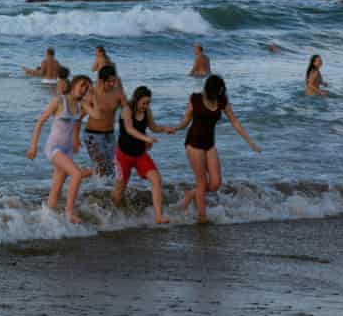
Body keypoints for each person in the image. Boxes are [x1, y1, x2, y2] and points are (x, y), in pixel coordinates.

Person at [172, 75, 261, 224]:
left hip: (209, 144)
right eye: (217, 92)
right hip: (194, 143)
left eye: (221, 92)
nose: (219, 95)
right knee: (201, 182)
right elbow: (186, 120)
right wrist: (176, 128)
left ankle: (190, 194)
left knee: (215, 183)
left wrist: (250, 141)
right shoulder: (195, 98)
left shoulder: (222, 99)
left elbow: (234, 121)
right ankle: (202, 218)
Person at [27, 75, 94, 223]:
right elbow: (40, 122)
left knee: (56, 190)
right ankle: (69, 213)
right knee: (76, 174)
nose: (84, 89)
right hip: (54, 148)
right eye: (82, 85)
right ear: (74, 84)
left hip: (67, 151)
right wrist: (33, 146)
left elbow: (97, 114)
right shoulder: (59, 101)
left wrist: (90, 96)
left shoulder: (80, 105)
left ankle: (46, 222)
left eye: (87, 88)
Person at [114, 86, 175, 224]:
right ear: (136, 100)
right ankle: (115, 217)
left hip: (140, 154)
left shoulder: (147, 111)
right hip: (123, 155)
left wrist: (165, 129)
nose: (146, 106)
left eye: (148, 103)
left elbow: (153, 127)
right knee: (120, 189)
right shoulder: (126, 110)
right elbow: (129, 129)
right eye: (144, 103)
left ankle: (158, 216)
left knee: (156, 179)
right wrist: (146, 139)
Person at [81, 65, 127, 177]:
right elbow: (79, 116)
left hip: (110, 135)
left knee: (112, 168)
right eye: (109, 82)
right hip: (92, 135)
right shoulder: (92, 94)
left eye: (114, 81)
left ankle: (102, 190)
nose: (112, 84)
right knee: (101, 167)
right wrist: (73, 137)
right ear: (101, 81)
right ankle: (78, 175)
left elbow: (128, 112)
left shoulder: (118, 93)